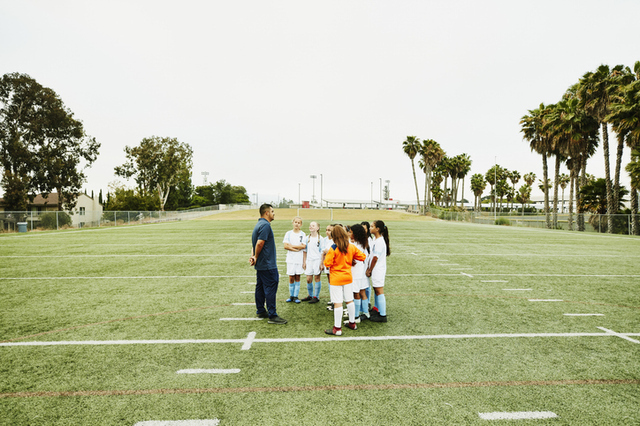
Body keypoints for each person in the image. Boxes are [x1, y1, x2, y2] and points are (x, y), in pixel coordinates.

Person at [323, 225, 366, 336]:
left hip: (336, 278)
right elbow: (362, 257)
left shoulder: (333, 248)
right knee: (349, 300)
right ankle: (352, 323)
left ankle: (337, 328)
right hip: (347, 277)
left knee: (338, 303)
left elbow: (327, 263)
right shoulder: (350, 246)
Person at [250, 204, 287, 324]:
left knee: (260, 287)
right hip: (267, 264)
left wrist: (253, 256)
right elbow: (259, 243)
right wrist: (255, 256)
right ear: (266, 213)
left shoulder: (258, 225)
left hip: (261, 264)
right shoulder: (265, 225)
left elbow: (255, 244)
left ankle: (260, 310)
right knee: (271, 286)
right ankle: (272, 315)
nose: (273, 213)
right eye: (272, 211)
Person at [366, 220, 390, 322]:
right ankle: (376, 309)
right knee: (376, 289)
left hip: (378, 269)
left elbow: (375, 258)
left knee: (379, 290)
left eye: (372, 226)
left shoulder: (380, 241)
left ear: (377, 229)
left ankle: (383, 315)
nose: (370, 228)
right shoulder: (375, 239)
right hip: (376, 269)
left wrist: (369, 269)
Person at [346, 224, 370, 323]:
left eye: (351, 232)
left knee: (355, 293)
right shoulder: (362, 243)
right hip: (361, 271)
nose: (349, 234)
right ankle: (365, 312)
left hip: (356, 272)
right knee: (362, 292)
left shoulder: (355, 245)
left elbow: (353, 258)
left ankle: (355, 316)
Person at [283, 216, 306, 303]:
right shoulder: (288, 233)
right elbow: (285, 246)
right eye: (295, 222)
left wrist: (291, 246)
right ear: (293, 223)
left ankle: (296, 296)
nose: (297, 224)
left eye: (299, 223)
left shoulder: (303, 234)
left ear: (301, 224)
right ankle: (291, 296)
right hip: (290, 259)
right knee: (291, 277)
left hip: (299, 259)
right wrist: (296, 249)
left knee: (297, 276)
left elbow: (303, 246)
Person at [302, 221, 324, 303]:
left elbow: (322, 252)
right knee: (308, 279)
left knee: (317, 278)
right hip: (309, 260)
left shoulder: (321, 239)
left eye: (313, 225)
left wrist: (322, 263)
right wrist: (304, 262)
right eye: (310, 225)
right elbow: (304, 251)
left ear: (317, 228)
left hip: (317, 260)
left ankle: (316, 296)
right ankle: (310, 295)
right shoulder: (307, 238)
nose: (311, 227)